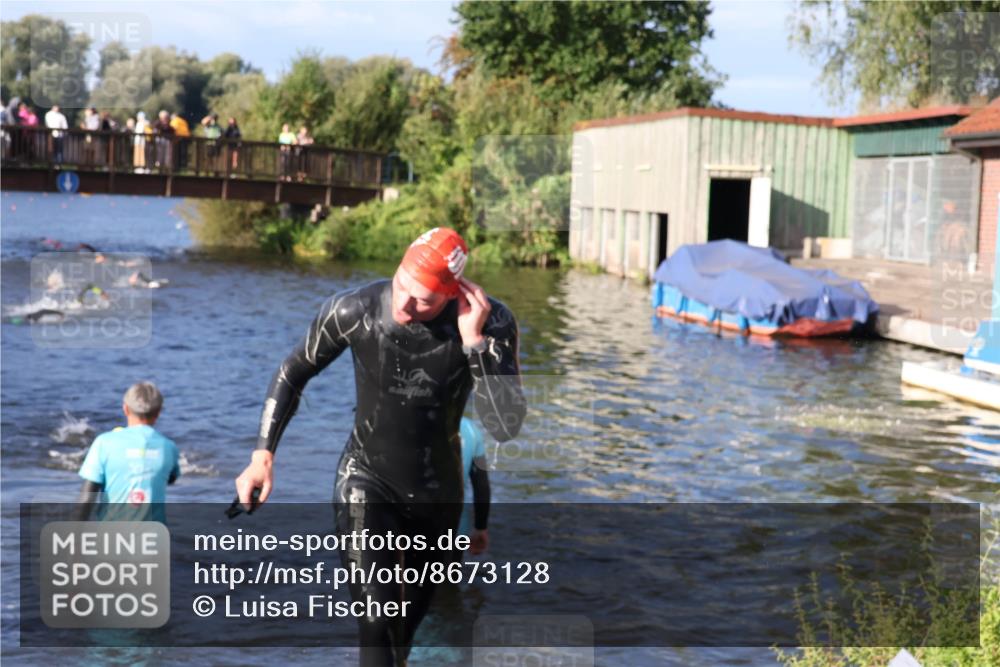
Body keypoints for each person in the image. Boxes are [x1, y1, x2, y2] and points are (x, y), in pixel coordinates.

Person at [234, 227, 526, 666]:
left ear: (452, 295)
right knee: (375, 621)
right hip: (365, 480)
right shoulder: (355, 309)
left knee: (403, 632)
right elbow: (292, 371)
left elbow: (505, 426)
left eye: (423, 298)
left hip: (437, 495)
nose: (404, 303)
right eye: (402, 284)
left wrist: (473, 344)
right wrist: (262, 455)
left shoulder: (493, 324)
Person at [75, 382, 180, 522]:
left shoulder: (104, 442)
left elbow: (88, 495)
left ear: (125, 409)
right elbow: (171, 478)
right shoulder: (168, 447)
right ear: (158, 412)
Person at [458, 417, 490, 554]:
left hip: (410, 523)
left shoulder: (414, 423)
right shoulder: (471, 430)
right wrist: (480, 527)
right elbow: (481, 486)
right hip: (457, 526)